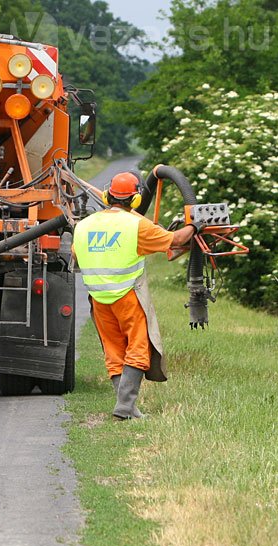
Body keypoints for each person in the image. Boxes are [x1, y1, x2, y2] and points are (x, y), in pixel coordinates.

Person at [72, 171, 199, 420]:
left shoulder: (83, 225)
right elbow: (177, 239)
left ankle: (126, 406)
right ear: (136, 200)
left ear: (108, 196)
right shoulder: (136, 225)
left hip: (99, 299)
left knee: (114, 350)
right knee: (138, 348)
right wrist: (195, 225)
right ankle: (125, 407)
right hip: (127, 296)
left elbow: (76, 256)